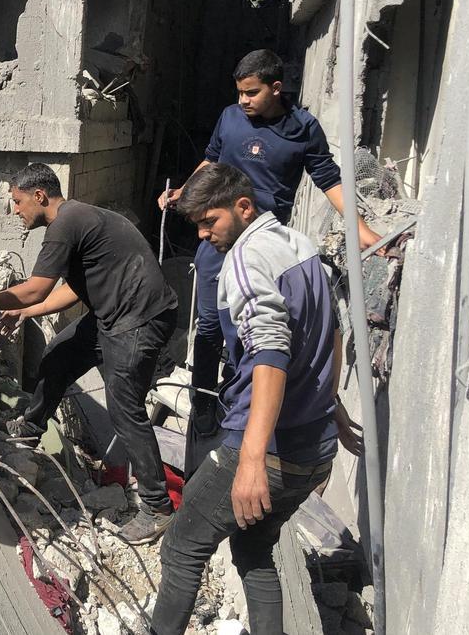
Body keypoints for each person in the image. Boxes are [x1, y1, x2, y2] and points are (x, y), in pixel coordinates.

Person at [151, 163, 363, 635]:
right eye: (198, 225)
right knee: (253, 548)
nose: (203, 234)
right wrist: (331, 405)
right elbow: (329, 333)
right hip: (315, 449)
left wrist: (250, 461)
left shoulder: (246, 260)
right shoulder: (300, 246)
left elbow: (270, 353)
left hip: (268, 451)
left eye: (210, 221)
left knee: (181, 547)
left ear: (243, 207)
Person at [158, 49, 383, 476]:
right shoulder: (230, 118)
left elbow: (328, 179)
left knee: (254, 331)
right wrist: (185, 193)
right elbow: (211, 161)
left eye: (251, 93)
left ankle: (246, 406)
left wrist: (362, 230)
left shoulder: (303, 129)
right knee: (210, 325)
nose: (243, 100)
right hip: (219, 243)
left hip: (263, 243)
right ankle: (204, 400)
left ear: (276, 88)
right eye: (239, 93)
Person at [0, 163, 179, 544]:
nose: (15, 211)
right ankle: (30, 429)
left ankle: (157, 508)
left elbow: (36, 288)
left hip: (138, 319)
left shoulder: (65, 224)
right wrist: (26, 311)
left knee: (124, 409)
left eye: (18, 202)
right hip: (112, 315)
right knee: (58, 357)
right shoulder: (76, 221)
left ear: (39, 196)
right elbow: (71, 290)